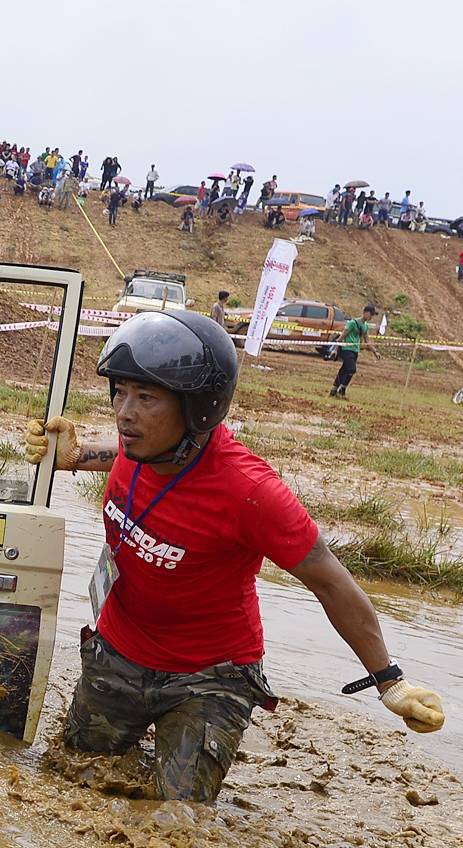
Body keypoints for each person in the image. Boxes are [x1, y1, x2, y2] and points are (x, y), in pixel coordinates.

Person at [24, 311, 443, 806]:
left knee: (176, 817)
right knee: (70, 775)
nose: (123, 412)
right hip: (118, 653)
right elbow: (118, 453)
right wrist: (75, 456)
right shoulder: (139, 447)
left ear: (198, 408)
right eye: (120, 392)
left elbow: (330, 581)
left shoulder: (251, 492)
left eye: (146, 397)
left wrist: (389, 681)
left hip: (208, 677)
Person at [330, 304, 382, 397]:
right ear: (365, 313)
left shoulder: (365, 326)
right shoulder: (352, 323)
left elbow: (367, 340)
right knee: (352, 369)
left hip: (355, 350)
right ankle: (342, 389)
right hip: (347, 349)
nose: (371, 317)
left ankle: (334, 389)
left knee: (344, 369)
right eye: (371, 314)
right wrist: (335, 350)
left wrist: (375, 351)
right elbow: (341, 337)